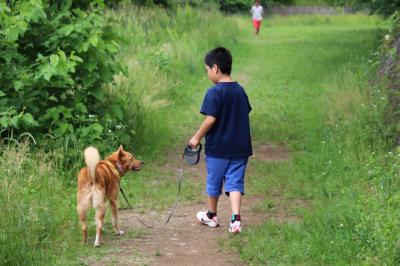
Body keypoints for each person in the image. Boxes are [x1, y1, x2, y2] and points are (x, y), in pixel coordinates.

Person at [189, 47, 252, 234]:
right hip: (240, 148)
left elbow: (211, 118)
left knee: (214, 181)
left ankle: (211, 215)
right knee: (235, 183)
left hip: (218, 149)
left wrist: (196, 137)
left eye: (207, 69)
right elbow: (244, 112)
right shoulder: (240, 91)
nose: (207, 73)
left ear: (215, 68)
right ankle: (236, 218)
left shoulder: (214, 92)